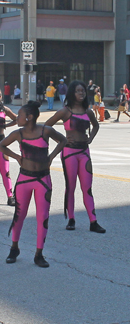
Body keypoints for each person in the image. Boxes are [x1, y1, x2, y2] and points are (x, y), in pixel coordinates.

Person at [0, 101, 66, 268]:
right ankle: (14, 248)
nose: (17, 118)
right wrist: (16, 156)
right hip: (24, 179)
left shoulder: (45, 131)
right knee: (19, 215)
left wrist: (51, 157)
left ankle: (39, 254)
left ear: (28, 117)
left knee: (42, 217)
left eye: (19, 115)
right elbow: (1, 146)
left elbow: (63, 141)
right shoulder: (18, 134)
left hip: (43, 180)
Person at [45, 80, 106, 234]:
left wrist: (90, 138)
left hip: (84, 152)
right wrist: (61, 139)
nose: (81, 93)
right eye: (78, 91)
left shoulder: (88, 111)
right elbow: (46, 126)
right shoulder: (65, 111)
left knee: (87, 188)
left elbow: (96, 125)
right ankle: (71, 219)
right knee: (70, 187)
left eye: (83, 91)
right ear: (72, 92)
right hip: (69, 153)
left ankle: (93, 221)